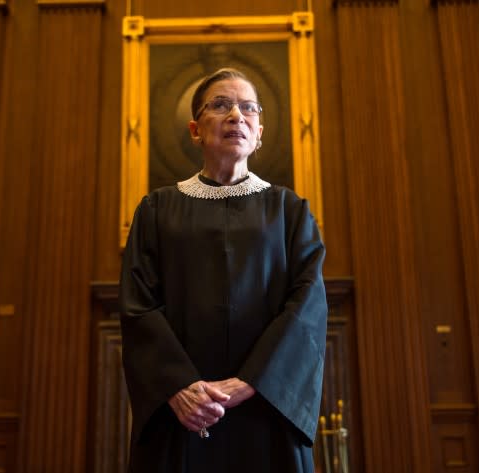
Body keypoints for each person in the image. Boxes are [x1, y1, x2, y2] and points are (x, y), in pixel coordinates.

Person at [119, 67, 328, 473]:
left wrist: (252, 381)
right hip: (182, 412)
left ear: (260, 132)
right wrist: (178, 386)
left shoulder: (290, 211)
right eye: (221, 105)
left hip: (266, 409)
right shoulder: (157, 209)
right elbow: (138, 305)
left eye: (248, 108)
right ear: (196, 130)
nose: (237, 115)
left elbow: (307, 307)